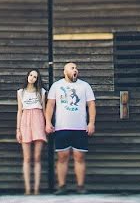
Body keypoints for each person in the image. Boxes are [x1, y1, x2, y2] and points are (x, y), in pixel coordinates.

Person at [44, 62, 96, 194]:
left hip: (80, 128)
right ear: (64, 71)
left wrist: (91, 123)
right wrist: (48, 122)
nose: (75, 70)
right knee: (62, 157)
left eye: (76, 68)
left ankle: (80, 187)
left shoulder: (85, 86)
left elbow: (91, 105)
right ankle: (62, 187)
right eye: (72, 68)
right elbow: (50, 105)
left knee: (79, 157)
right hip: (62, 127)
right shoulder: (56, 85)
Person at [16, 69, 47, 195]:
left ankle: (36, 189)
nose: (32, 78)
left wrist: (47, 124)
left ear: (37, 79)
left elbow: (44, 110)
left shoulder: (42, 92)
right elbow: (19, 110)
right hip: (25, 121)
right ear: (27, 76)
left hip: (38, 119)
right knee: (27, 158)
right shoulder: (20, 92)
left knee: (37, 157)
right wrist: (18, 129)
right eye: (30, 75)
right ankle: (28, 189)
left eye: (35, 77)